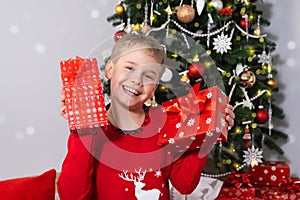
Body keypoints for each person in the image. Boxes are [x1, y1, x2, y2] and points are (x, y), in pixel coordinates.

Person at [57, 33, 235, 200]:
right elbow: (72, 196)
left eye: (148, 75)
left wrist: (206, 132)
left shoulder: (166, 122)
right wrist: (83, 129)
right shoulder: (91, 129)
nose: (137, 80)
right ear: (110, 70)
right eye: (129, 68)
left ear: (155, 87)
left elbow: (184, 184)